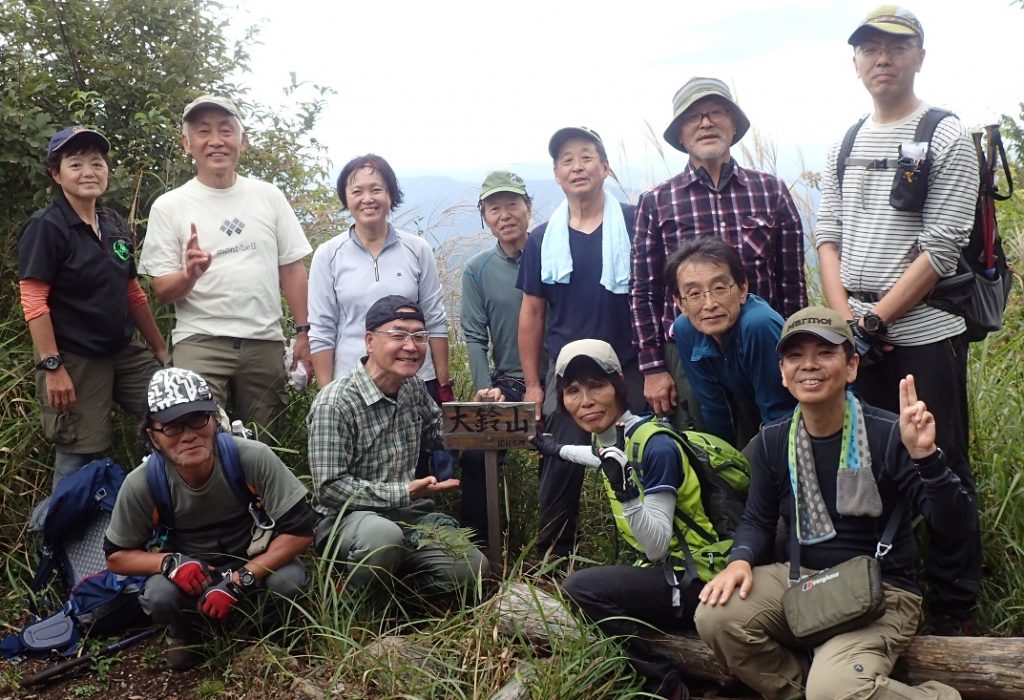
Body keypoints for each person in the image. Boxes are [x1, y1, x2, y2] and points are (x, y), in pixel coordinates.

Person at [695, 306, 970, 700]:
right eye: (795, 356)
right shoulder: (774, 440)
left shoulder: (890, 434)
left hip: (883, 591)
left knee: (833, 689)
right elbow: (757, 519)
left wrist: (926, 458)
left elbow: (954, 525)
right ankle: (805, 690)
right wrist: (739, 559)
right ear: (783, 372)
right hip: (804, 579)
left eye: (825, 353)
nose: (809, 365)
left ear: (852, 365)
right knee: (715, 617)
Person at [815, 6, 980, 633]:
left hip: (924, 336)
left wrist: (872, 323)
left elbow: (942, 245)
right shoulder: (845, 141)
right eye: (869, 48)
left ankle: (956, 609)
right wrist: (843, 324)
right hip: (857, 337)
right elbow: (827, 236)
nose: (882, 57)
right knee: (868, 467)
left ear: (919, 56)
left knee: (940, 465)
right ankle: (878, 595)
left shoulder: (945, 135)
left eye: (896, 46)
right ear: (856, 62)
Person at [533, 339, 735, 700]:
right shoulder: (622, 438)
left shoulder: (655, 446)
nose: (586, 401)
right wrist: (553, 448)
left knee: (581, 589)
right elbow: (598, 455)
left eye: (597, 386)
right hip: (678, 573)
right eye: (573, 391)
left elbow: (656, 546)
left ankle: (666, 683)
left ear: (618, 384)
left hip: (698, 582)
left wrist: (626, 494)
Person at [104, 367, 315, 670]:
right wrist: (169, 563)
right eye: (172, 428)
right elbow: (115, 557)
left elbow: (301, 530)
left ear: (215, 419)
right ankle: (188, 634)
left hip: (253, 566)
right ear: (152, 435)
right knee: (157, 595)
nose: (189, 435)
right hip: (191, 579)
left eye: (198, 420)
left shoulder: (251, 458)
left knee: (290, 579)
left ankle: (271, 628)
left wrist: (241, 580)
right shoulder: (143, 483)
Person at [631, 76, 806, 431]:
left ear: (734, 125)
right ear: (680, 134)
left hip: (763, 345)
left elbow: (792, 282)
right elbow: (643, 291)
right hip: (688, 351)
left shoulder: (770, 191)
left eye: (716, 113)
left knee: (779, 432)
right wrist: (653, 368)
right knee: (708, 448)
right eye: (693, 117)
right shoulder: (656, 202)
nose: (706, 123)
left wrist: (797, 350)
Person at [138, 94, 312, 435]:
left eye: (226, 130)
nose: (215, 140)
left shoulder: (268, 197)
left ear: (242, 141)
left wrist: (305, 332)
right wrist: (189, 275)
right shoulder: (169, 206)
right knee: (198, 437)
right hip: (201, 340)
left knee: (268, 441)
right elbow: (161, 289)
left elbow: (292, 268)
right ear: (187, 143)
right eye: (203, 132)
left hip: (264, 339)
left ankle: (259, 491)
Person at [517, 126, 646, 558]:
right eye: (567, 160)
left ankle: (651, 552)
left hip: (630, 364)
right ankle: (552, 559)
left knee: (644, 456)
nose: (577, 166)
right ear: (556, 175)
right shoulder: (541, 239)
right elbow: (533, 313)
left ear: (605, 167)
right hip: (568, 371)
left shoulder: (634, 221)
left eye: (586, 156)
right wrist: (534, 385)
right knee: (560, 462)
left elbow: (659, 297)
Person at [307, 295, 488, 601]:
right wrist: (405, 492)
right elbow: (330, 488)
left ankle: (397, 594)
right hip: (347, 520)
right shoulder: (335, 403)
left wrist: (477, 415)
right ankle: (349, 605)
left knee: (473, 568)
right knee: (383, 538)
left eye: (419, 336)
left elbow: (439, 434)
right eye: (398, 335)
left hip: (408, 516)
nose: (411, 345)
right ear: (369, 341)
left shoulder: (412, 387)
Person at [18, 125, 166, 489]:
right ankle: (59, 542)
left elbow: (132, 292)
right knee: (80, 456)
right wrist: (53, 366)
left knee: (175, 410)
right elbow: (34, 300)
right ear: (56, 173)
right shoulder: (47, 226)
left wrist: (160, 348)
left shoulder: (113, 223)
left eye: (97, 163)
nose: (89, 172)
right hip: (74, 357)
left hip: (123, 351)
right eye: (76, 163)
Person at [307, 154, 452, 403]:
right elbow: (322, 329)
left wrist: (443, 384)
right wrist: (326, 395)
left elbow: (434, 319)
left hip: (416, 381)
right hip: (353, 381)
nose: (368, 199)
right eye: (357, 191)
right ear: (346, 198)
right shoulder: (329, 254)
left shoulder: (417, 249)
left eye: (376, 190)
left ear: (390, 195)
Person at [458, 170, 533, 542]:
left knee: (562, 454)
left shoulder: (553, 254)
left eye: (512, 205)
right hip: (512, 382)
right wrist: (485, 388)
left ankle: (557, 549)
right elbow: (474, 336)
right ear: (484, 217)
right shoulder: (477, 270)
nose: (504, 215)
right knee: (474, 454)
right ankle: (475, 550)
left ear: (528, 208)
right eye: (493, 208)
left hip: (568, 377)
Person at [665, 237, 794, 447]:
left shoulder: (758, 324)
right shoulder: (685, 329)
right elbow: (713, 406)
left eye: (720, 288)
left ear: (742, 289)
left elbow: (779, 411)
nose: (709, 304)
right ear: (680, 303)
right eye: (694, 293)